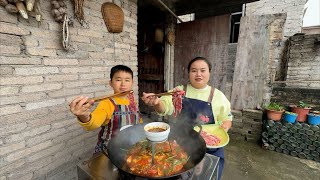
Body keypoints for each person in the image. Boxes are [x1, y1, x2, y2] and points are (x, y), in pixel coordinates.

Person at [141, 57, 232, 180]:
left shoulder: (218, 96)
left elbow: (227, 117)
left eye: (203, 70)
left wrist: (226, 125)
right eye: (194, 70)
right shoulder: (179, 91)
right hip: (181, 144)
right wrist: (157, 103)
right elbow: (165, 107)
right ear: (189, 73)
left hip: (209, 148)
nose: (198, 74)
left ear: (209, 72)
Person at [69, 65, 142, 154]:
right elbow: (94, 123)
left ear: (132, 83)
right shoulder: (106, 103)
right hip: (109, 150)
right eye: (118, 80)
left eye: (127, 80)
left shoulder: (133, 101)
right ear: (111, 83)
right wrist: (84, 116)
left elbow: (138, 121)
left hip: (130, 146)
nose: (123, 84)